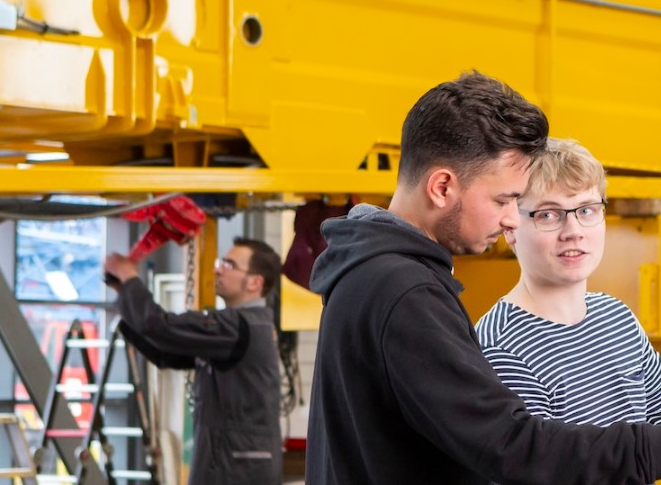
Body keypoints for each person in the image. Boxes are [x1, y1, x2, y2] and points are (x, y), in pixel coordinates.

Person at [305, 71, 661, 484]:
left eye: (586, 210)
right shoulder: (405, 292)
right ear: (442, 188)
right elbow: (515, 449)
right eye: (504, 200)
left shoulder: (375, 274)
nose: (511, 218)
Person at [476, 138, 661, 426]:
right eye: (549, 214)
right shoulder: (501, 349)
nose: (573, 232)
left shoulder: (618, 318)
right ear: (510, 227)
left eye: (586, 210)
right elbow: (543, 467)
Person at [104, 237, 283, 485]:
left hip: (236, 468)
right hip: (231, 463)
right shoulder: (245, 325)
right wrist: (125, 295)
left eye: (229, 265)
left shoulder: (237, 326)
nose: (217, 268)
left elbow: (160, 326)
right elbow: (167, 353)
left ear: (255, 282)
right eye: (221, 262)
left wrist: (130, 277)